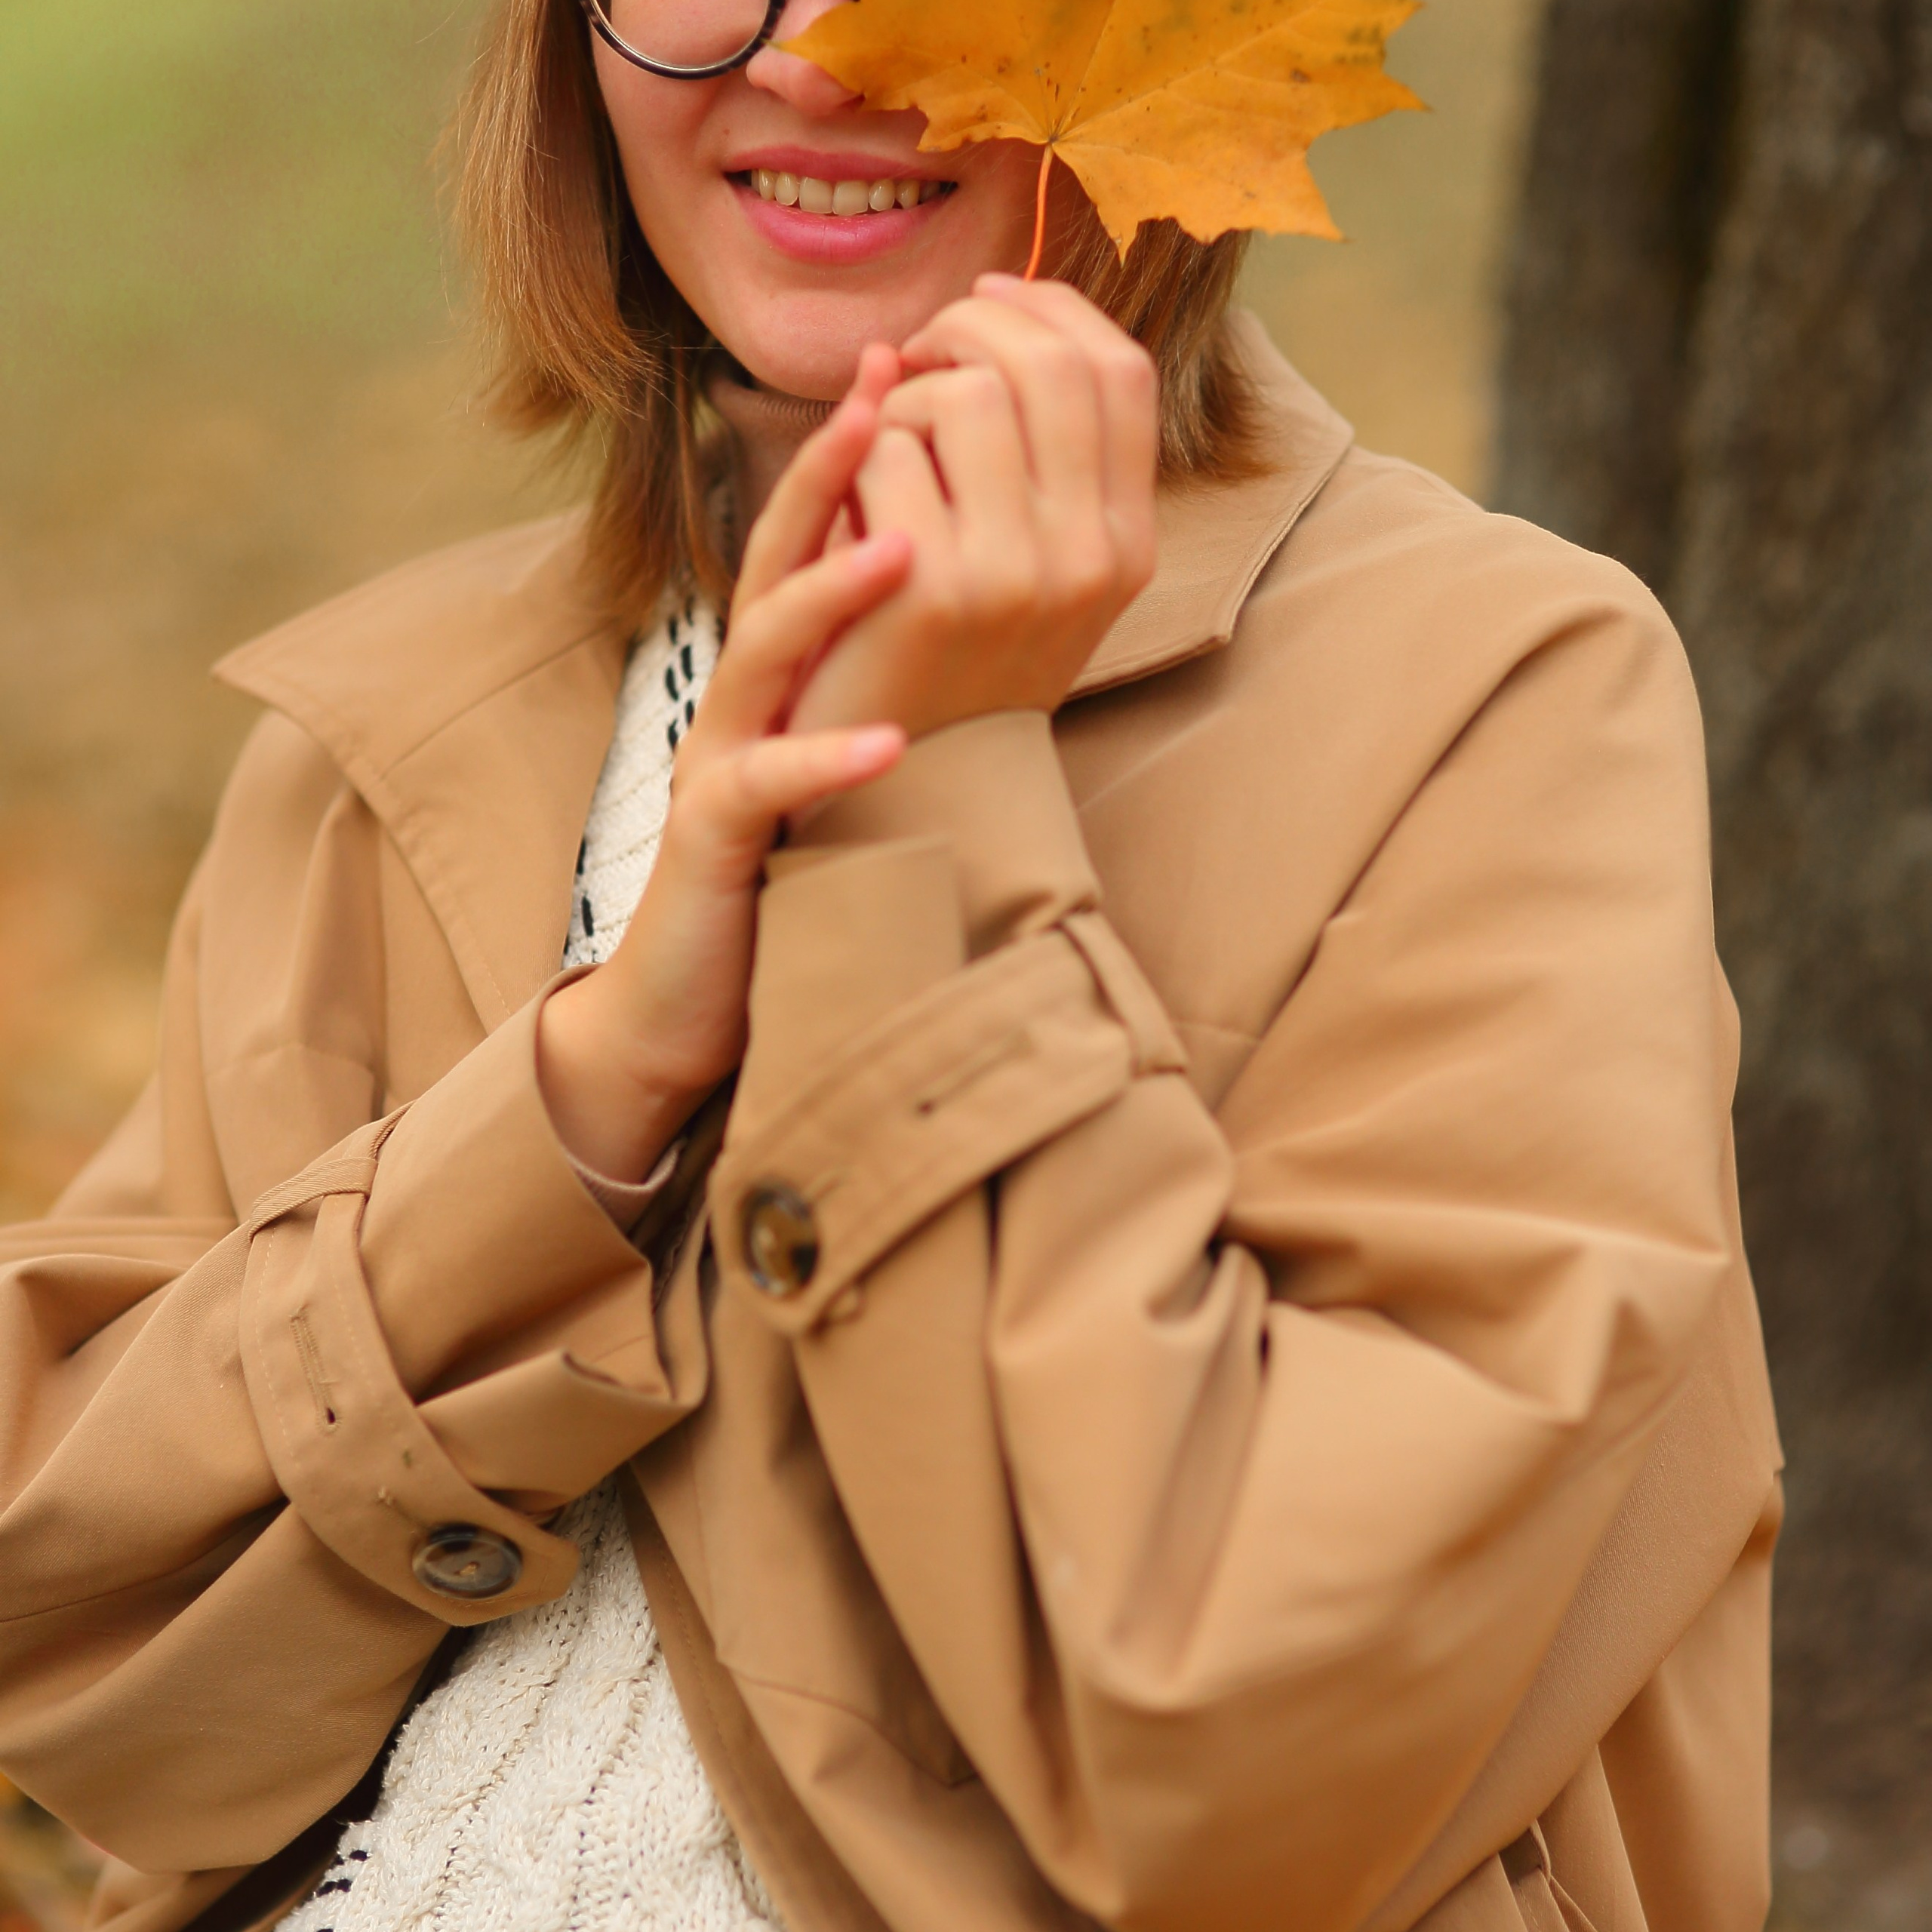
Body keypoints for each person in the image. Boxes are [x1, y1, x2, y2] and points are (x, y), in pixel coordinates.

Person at [0, 1, 1782, 1928]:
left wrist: (932, 799)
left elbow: (1247, 1759)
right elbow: (80, 1648)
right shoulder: (379, 742)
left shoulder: (1494, 700)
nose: (820, 59)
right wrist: (585, 1097)